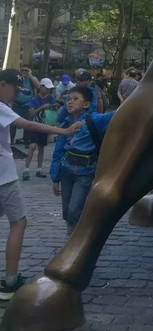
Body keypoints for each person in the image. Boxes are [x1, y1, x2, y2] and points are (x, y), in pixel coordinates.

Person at [0, 68, 83, 300]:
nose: (16, 96)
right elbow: (30, 125)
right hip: (4, 176)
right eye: (15, 90)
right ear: (3, 84)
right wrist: (64, 130)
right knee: (19, 222)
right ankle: (10, 282)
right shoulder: (1, 108)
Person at [50, 86, 114, 236]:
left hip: (85, 174)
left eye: (75, 99)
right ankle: (70, 240)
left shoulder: (94, 120)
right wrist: (55, 177)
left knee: (75, 210)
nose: (70, 102)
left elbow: (117, 115)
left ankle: (78, 241)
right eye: (68, 99)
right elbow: (58, 152)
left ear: (86, 104)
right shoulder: (66, 124)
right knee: (67, 211)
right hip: (66, 172)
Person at [22, 77, 57, 180]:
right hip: (35, 125)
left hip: (44, 125)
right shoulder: (34, 99)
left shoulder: (50, 97)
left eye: (49, 88)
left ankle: (39, 169)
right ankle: (26, 169)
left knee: (41, 147)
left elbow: (54, 107)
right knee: (32, 146)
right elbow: (31, 113)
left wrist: (54, 106)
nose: (48, 90)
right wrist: (42, 107)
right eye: (46, 88)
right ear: (41, 87)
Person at [10, 65, 40, 147]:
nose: (24, 72)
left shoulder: (32, 79)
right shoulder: (17, 79)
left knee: (27, 123)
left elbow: (38, 86)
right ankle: (11, 141)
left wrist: (30, 74)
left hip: (27, 105)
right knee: (13, 124)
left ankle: (26, 141)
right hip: (16, 104)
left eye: (26, 70)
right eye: (22, 70)